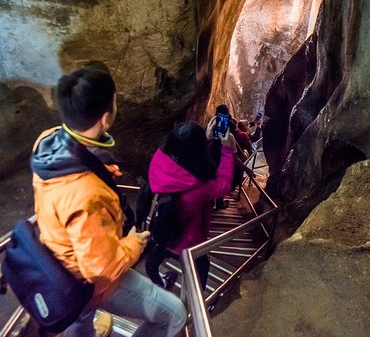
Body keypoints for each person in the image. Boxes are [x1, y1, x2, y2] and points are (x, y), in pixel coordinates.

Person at [31, 68, 186, 337]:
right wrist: (134, 245)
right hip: (85, 280)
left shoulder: (48, 139)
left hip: (56, 254)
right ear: (106, 117)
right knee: (174, 315)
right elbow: (99, 269)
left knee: (80, 318)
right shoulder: (88, 193)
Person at [145, 120, 236, 291]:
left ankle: (159, 283)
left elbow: (187, 160)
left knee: (152, 263)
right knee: (202, 268)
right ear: (199, 149)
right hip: (188, 243)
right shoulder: (201, 186)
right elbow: (225, 184)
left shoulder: (158, 162)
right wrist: (226, 150)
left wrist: (206, 142)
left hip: (161, 231)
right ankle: (199, 302)